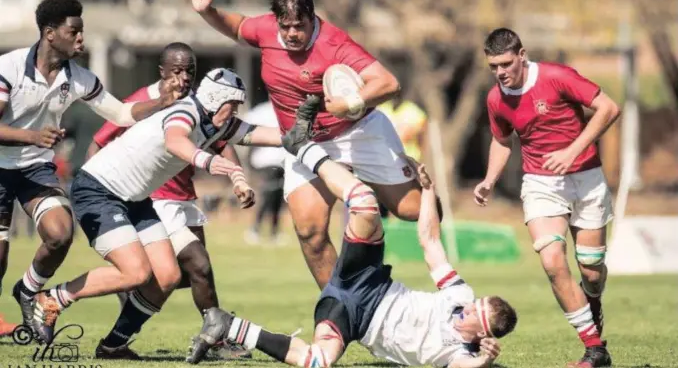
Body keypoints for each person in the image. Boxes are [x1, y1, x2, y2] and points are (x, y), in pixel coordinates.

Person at [186, 98, 517, 367]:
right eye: (478, 302)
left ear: (482, 334)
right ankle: (305, 148)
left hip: (352, 319)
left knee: (317, 363)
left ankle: (227, 325)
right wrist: (428, 190)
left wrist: (485, 361)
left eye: (476, 313)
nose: (469, 308)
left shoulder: (461, 353)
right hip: (370, 279)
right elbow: (430, 242)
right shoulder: (460, 296)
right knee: (363, 202)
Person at [184, 0, 435, 289]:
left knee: (413, 210)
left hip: (357, 132)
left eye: (299, 26)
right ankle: (341, 309)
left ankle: (395, 178)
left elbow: (388, 83)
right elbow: (236, 26)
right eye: (285, 26)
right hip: (306, 143)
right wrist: (207, 12)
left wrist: (347, 104)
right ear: (276, 20)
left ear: (312, 17)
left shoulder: (334, 43)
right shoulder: (265, 30)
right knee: (310, 232)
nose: (291, 34)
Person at [28, 68, 282, 354]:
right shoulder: (186, 111)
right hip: (98, 190)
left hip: (134, 198)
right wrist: (208, 162)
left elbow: (265, 135)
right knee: (136, 273)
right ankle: (51, 299)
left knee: (168, 276)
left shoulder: (218, 121)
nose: (236, 111)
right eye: (232, 105)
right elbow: (176, 140)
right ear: (215, 99)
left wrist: (306, 131)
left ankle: (113, 345)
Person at [0, 0, 183, 333]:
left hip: (34, 169)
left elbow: (122, 114)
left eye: (81, 31)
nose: (81, 38)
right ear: (50, 33)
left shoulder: (80, 78)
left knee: (61, 234)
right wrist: (32, 137)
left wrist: (161, 101)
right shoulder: (8, 68)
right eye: (75, 32)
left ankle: (27, 290)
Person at [86, 44, 252, 360]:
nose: (184, 77)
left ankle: (129, 307)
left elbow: (221, 141)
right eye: (177, 70)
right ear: (161, 71)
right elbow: (98, 142)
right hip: (154, 199)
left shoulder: (199, 103)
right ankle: (215, 339)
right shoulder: (144, 100)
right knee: (198, 264)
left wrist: (237, 177)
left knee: (193, 276)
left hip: (184, 197)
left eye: (190, 70)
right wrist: (103, 200)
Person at [474, 28, 620, 368]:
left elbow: (608, 108)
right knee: (553, 261)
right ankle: (595, 349)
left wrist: (571, 152)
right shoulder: (496, 98)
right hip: (541, 182)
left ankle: (592, 309)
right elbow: (501, 139)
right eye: (493, 66)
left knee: (591, 269)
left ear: (522, 55)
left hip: (586, 177)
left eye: (506, 63)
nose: (500, 72)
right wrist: (489, 179)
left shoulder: (557, 76)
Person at [242, 101, 287, 245]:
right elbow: (246, 129)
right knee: (268, 196)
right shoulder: (262, 110)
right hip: (266, 161)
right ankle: (255, 229)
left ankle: (274, 232)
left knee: (278, 199)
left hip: (282, 162)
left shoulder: (286, 107)